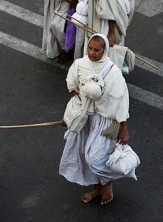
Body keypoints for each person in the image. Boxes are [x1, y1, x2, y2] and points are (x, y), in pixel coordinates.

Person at [59, 34, 136, 206]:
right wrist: (70, 116)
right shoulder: (79, 65)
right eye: (90, 48)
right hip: (84, 118)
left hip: (104, 121)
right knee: (84, 156)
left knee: (95, 158)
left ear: (104, 50)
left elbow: (121, 102)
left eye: (96, 50)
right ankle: (97, 187)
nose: (92, 53)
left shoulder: (113, 72)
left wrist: (124, 128)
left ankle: (107, 183)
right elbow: (73, 91)